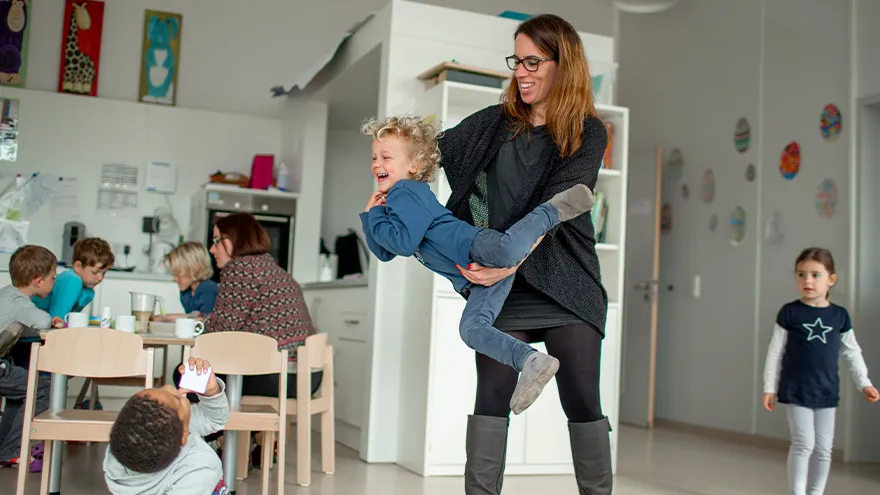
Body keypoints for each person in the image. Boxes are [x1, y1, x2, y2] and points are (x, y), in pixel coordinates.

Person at [434, 14, 613, 494]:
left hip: (567, 284)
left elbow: (556, 203)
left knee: (581, 400)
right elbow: (432, 152)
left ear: (563, 64)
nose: (522, 72)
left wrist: (504, 260)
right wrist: (391, 179)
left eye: (534, 61)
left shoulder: (588, 132)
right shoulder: (493, 124)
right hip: (504, 289)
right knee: (490, 394)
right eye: (517, 60)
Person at [360, 115, 595, 414]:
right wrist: (371, 217)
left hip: (473, 246)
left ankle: (553, 209)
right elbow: (384, 252)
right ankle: (531, 361)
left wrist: (375, 217)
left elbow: (403, 245)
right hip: (476, 280)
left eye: (385, 157)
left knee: (508, 250)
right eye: (374, 157)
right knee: (471, 330)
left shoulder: (406, 192)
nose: (376, 164)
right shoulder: (393, 202)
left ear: (414, 166)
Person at [762, 247, 878, 495]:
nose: (807, 281)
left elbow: (851, 351)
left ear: (831, 279)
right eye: (801, 274)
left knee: (824, 448)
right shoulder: (790, 313)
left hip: (826, 389)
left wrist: (864, 382)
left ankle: (815, 492)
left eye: (815, 275)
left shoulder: (839, 316)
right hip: (796, 389)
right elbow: (775, 351)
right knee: (804, 443)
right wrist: (769, 387)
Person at [204, 212, 321, 399]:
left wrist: (197, 329)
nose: (212, 249)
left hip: (276, 377)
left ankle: (230, 427)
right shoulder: (274, 269)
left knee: (186, 374)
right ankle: (249, 429)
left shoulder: (240, 269)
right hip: (307, 376)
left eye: (217, 240)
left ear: (237, 238)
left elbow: (220, 333)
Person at [104, 357, 230, 494]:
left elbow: (212, 418)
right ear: (184, 436)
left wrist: (211, 392)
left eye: (160, 389)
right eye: (176, 399)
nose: (169, 387)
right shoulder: (200, 468)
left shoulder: (126, 449)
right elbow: (214, 420)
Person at [0, 245, 57, 470]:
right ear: (37, 280)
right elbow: (41, 322)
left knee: (21, 389)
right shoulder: (20, 303)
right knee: (38, 388)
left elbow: (23, 326)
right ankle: (12, 450)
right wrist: (51, 320)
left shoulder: (7, 294)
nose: (54, 282)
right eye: (52, 278)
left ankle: (6, 449)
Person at [33, 237, 114, 318]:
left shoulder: (87, 290)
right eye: (95, 272)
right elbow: (57, 318)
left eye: (104, 273)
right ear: (78, 267)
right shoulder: (72, 280)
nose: (100, 278)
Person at [156, 241, 218, 321]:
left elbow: (205, 318)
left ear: (194, 269)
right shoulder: (186, 293)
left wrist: (165, 318)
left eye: (178, 274)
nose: (174, 279)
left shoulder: (208, 288)